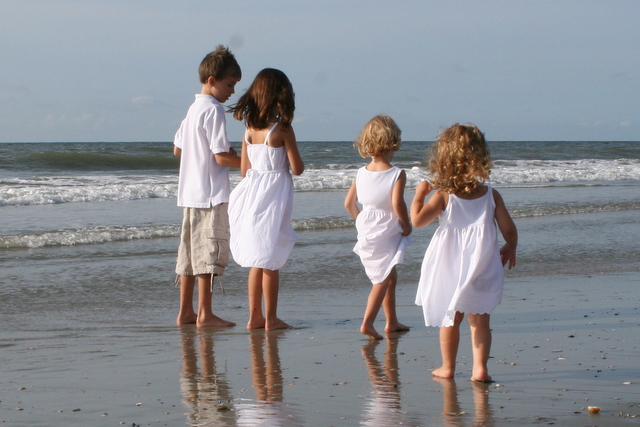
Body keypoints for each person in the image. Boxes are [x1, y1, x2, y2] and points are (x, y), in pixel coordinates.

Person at [411, 123, 518, 382]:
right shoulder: (491, 195)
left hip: (450, 266)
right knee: (480, 321)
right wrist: (510, 246)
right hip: (482, 263)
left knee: (451, 319)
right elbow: (508, 228)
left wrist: (418, 196)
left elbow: (418, 221)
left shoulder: (443, 195)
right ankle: (480, 369)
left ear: (443, 158)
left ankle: (448, 367)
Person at [228, 68, 304, 331]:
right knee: (271, 258)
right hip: (274, 197)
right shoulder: (282, 129)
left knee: (256, 260)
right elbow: (297, 168)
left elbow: (244, 170)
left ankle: (255, 317)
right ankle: (271, 319)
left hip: (252, 195)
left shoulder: (249, 129)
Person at [173, 45, 242, 328]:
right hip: (210, 193)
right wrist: (248, 163)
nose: (232, 92)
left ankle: (185, 312)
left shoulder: (193, 109)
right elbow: (220, 156)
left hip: (190, 192)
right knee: (208, 255)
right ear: (212, 81)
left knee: (189, 255)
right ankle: (205, 313)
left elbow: (178, 149)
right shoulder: (214, 110)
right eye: (230, 84)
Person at [344, 115, 412, 340]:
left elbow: (349, 204)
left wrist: (362, 221)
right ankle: (368, 322)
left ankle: (391, 321)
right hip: (387, 229)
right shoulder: (396, 173)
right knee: (381, 279)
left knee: (389, 275)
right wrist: (406, 224)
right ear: (393, 142)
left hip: (367, 229)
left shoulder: (361, 172)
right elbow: (397, 204)